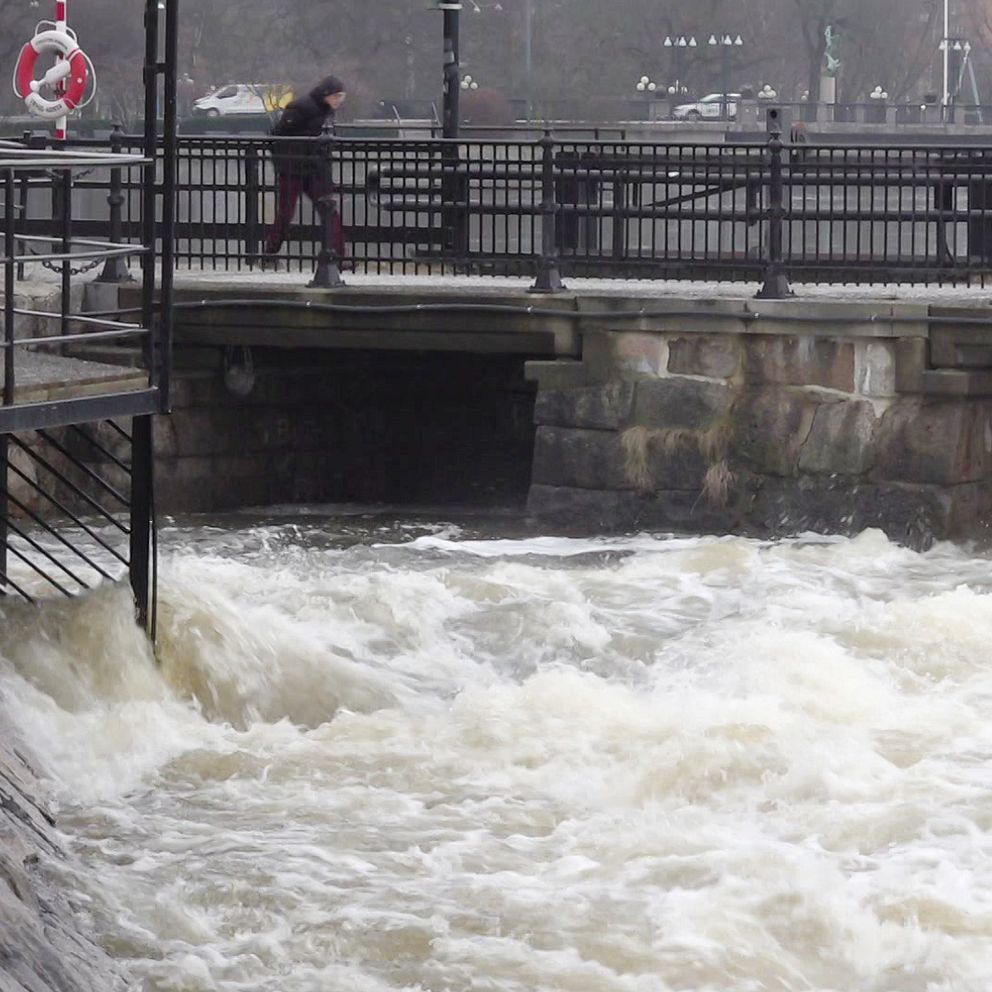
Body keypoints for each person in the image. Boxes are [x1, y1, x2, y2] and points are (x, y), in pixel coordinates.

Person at [256, 75, 347, 268]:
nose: (339, 101)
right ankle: (270, 254)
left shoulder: (322, 110)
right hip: (295, 168)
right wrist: (285, 162)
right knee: (289, 213)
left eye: (341, 97)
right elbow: (278, 136)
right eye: (336, 96)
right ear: (326, 94)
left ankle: (338, 257)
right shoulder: (303, 107)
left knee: (326, 211)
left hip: (310, 168)